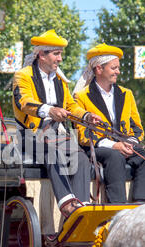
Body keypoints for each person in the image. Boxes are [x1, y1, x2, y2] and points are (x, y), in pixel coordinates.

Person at [12, 29, 101, 219]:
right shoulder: (23, 76)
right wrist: (49, 110)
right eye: (56, 54)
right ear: (41, 55)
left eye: (60, 54)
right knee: (53, 153)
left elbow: (71, 106)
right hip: (30, 135)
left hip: (57, 134)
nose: (60, 59)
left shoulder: (61, 80)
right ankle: (67, 204)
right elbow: (24, 102)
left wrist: (86, 116)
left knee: (82, 159)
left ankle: (82, 207)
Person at [73, 43, 145, 203]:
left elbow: (137, 129)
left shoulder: (127, 94)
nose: (118, 72)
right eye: (114, 68)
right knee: (115, 156)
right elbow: (83, 136)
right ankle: (117, 207)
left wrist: (130, 143)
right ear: (99, 69)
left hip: (126, 146)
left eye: (118, 68)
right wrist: (114, 146)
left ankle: (143, 204)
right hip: (98, 149)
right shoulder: (81, 97)